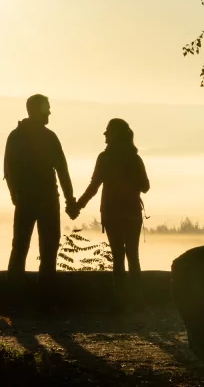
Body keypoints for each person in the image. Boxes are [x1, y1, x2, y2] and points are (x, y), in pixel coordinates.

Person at [4, 94, 76, 299]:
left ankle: (14, 294)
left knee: (20, 245)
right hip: (45, 200)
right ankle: (46, 294)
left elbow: (9, 169)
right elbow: (62, 170)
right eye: (47, 109)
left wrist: (15, 194)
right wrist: (70, 201)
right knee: (48, 247)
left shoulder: (16, 136)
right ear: (37, 111)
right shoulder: (48, 137)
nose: (50, 113)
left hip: (26, 199)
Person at [74, 118, 149, 309]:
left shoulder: (104, 158)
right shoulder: (135, 158)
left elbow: (94, 186)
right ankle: (137, 299)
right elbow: (146, 187)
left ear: (114, 135)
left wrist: (78, 205)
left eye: (107, 132)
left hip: (112, 212)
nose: (105, 135)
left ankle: (120, 301)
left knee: (117, 256)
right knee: (133, 255)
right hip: (132, 212)